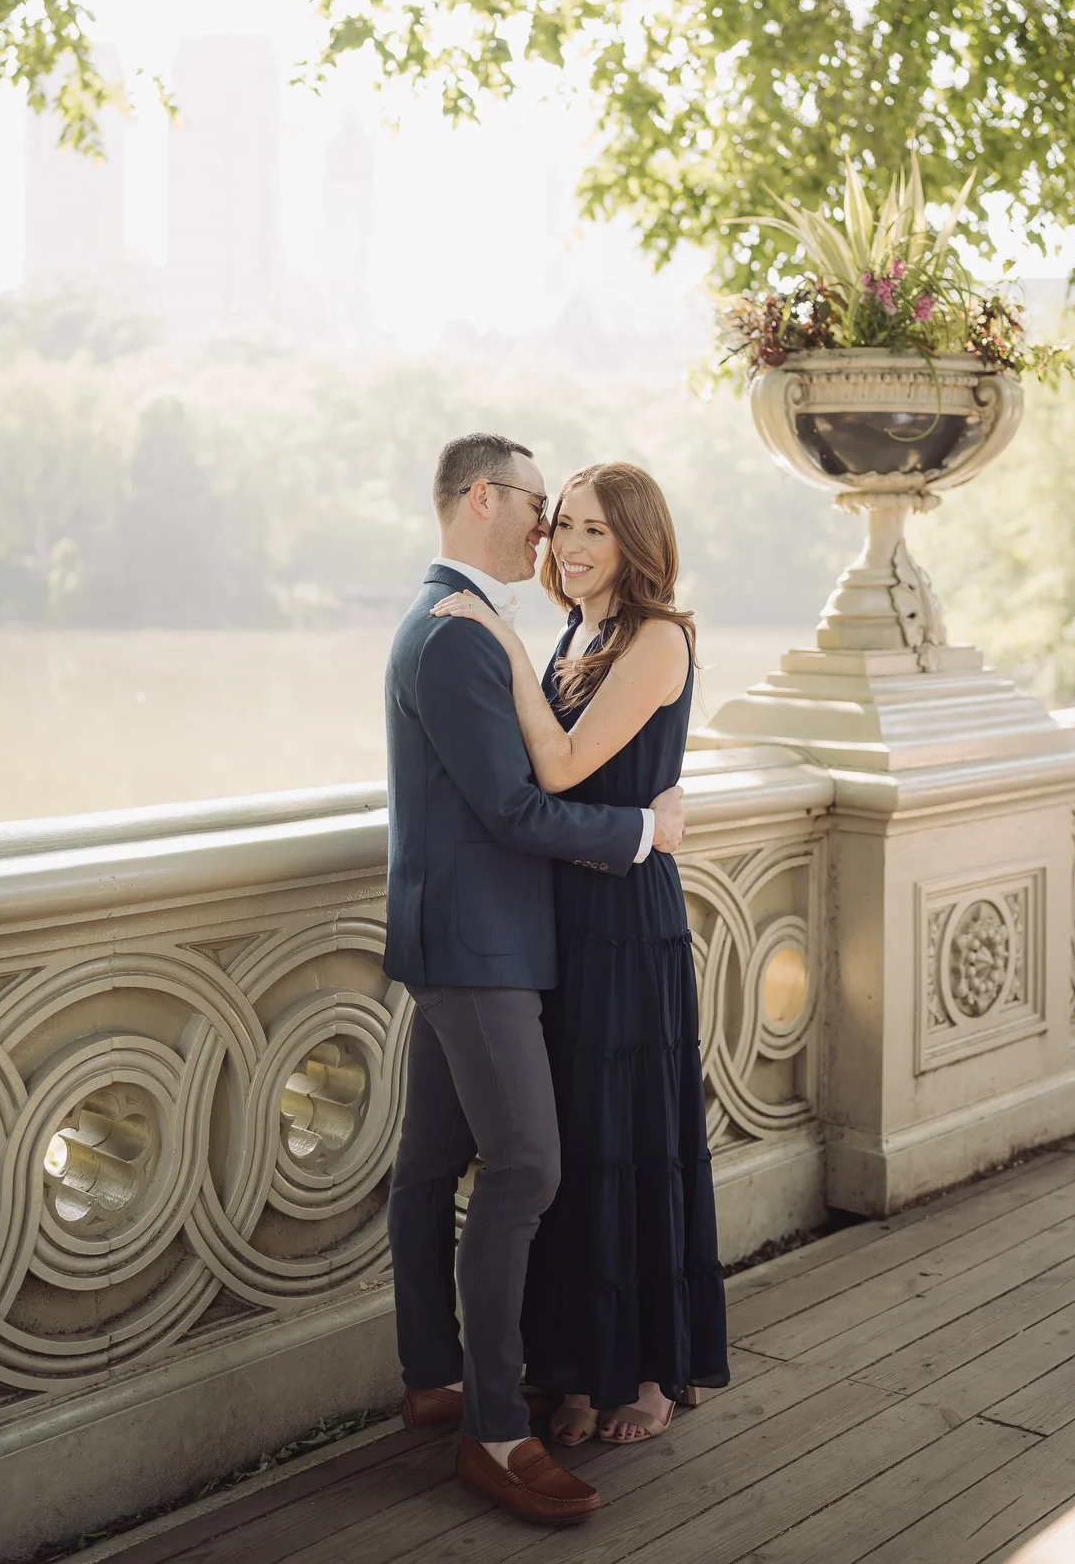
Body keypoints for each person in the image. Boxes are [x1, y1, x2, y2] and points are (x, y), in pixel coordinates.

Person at [383, 433, 686, 1525]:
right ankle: (496, 1429)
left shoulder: (465, 623)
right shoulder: (461, 635)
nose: (548, 531)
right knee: (526, 1170)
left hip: (477, 938)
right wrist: (643, 830)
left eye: (577, 520)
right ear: (484, 498)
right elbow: (519, 806)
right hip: (484, 948)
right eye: (541, 507)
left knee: (430, 1169)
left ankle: (436, 1376)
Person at [432, 460, 729, 1448]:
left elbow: (558, 768)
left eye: (594, 529)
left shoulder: (657, 637)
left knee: (630, 1137)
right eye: (562, 524)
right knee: (572, 1147)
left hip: (627, 920)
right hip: (561, 916)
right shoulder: (576, 637)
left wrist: (500, 644)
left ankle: (644, 1373)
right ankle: (576, 1367)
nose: (568, 545)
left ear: (636, 541)